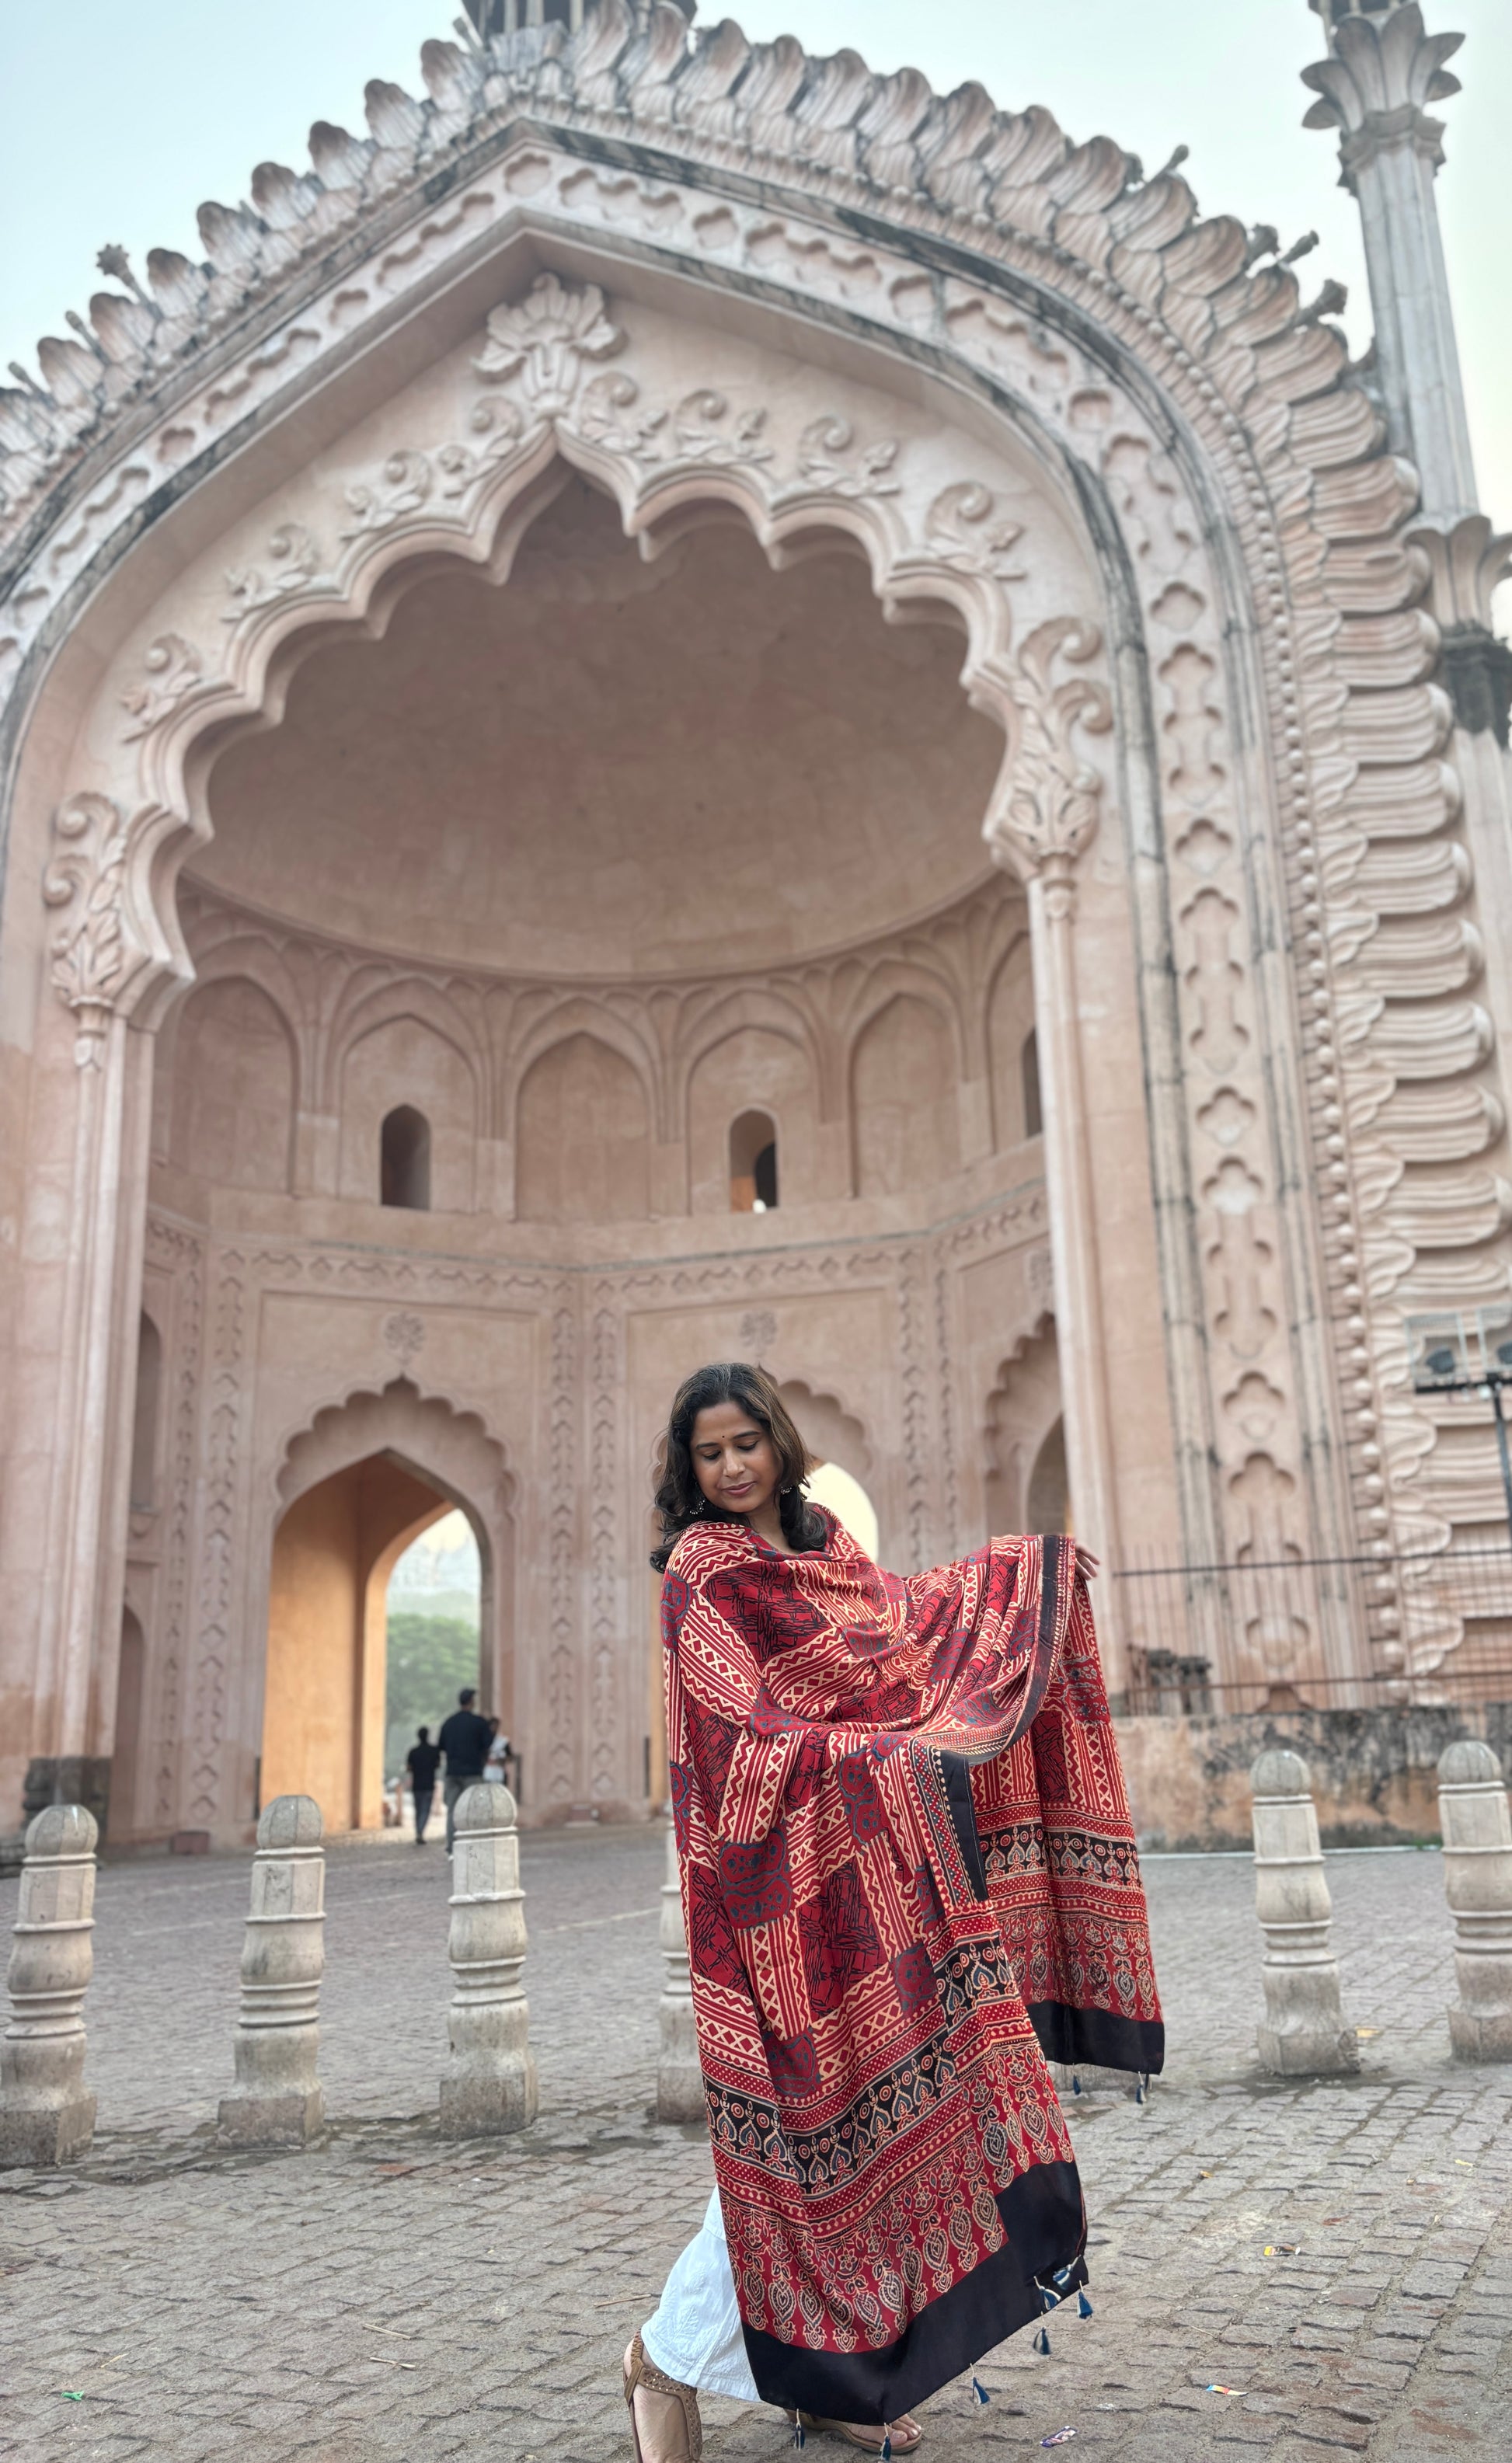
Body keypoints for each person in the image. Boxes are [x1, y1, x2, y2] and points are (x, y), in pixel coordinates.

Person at [623, 1363, 1164, 2463]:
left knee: (867, 2137)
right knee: (804, 2144)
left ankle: (828, 2380)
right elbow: (739, 1739)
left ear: (777, 1440)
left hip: (884, 1876)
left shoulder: (825, 1547)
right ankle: (664, 2359)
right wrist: (876, 1755)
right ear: (686, 1469)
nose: (730, 1468)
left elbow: (903, 1635)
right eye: (707, 1454)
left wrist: (1023, 1577)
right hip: (776, 1895)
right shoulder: (702, 1572)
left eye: (744, 1444)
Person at [437, 1687, 493, 1852]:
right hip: (473, 1772)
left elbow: (441, 1746)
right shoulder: (479, 1722)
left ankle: (452, 1844)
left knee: (453, 1810)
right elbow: (488, 1744)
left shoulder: (449, 1722)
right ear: (472, 1702)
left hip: (452, 1771)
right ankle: (473, 1843)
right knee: (474, 1809)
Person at [406, 1726, 441, 1845]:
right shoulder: (433, 1751)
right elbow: (438, 1765)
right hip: (429, 1784)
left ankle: (418, 1831)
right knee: (425, 1810)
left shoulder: (413, 1752)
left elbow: (409, 1768)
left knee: (418, 1810)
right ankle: (420, 1831)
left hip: (417, 1785)